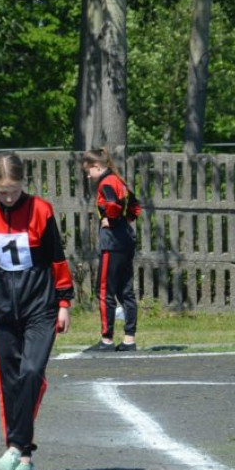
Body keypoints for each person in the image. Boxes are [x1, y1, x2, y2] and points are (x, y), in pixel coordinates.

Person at [0, 152, 74, 470]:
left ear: (22, 183)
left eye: (14, 189)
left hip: (40, 306)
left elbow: (57, 258)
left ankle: (15, 447)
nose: (9, 197)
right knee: (10, 382)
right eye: (2, 191)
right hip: (2, 308)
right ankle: (24, 456)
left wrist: (64, 301)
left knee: (31, 372)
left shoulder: (41, 211)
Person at [82, 148, 141, 352]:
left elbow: (113, 204)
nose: (89, 176)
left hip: (113, 242)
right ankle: (129, 339)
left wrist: (112, 219)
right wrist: (126, 222)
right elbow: (135, 207)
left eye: (89, 171)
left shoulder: (106, 183)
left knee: (105, 289)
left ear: (97, 167)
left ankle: (106, 340)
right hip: (126, 239)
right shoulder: (120, 180)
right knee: (126, 291)